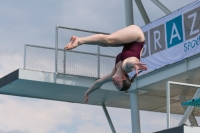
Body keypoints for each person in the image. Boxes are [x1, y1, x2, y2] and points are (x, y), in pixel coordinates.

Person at [64, 25, 147, 103]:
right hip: (137, 37)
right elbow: (128, 63)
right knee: (109, 40)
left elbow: (98, 83)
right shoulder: (127, 68)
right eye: (117, 84)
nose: (114, 84)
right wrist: (134, 64)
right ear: (123, 78)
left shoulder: (113, 73)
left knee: (104, 43)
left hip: (128, 42)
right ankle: (79, 41)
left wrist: (87, 93)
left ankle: (78, 40)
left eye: (115, 86)